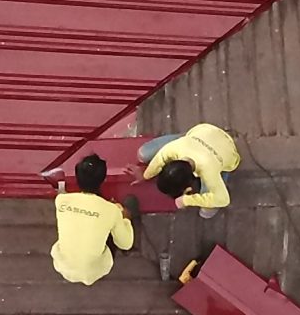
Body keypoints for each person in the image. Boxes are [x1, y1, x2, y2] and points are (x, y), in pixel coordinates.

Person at [50, 154, 135, 284]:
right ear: (103, 180)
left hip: (64, 266)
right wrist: (126, 217)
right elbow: (126, 244)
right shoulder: (111, 210)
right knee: (124, 215)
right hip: (95, 270)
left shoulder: (61, 200)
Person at [138, 122, 240, 212]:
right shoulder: (174, 148)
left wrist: (186, 200)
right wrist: (145, 175)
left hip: (226, 152)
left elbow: (223, 199)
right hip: (205, 132)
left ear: (188, 188)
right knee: (142, 154)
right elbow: (158, 160)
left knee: (207, 211)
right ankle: (189, 137)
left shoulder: (208, 172)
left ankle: (222, 169)